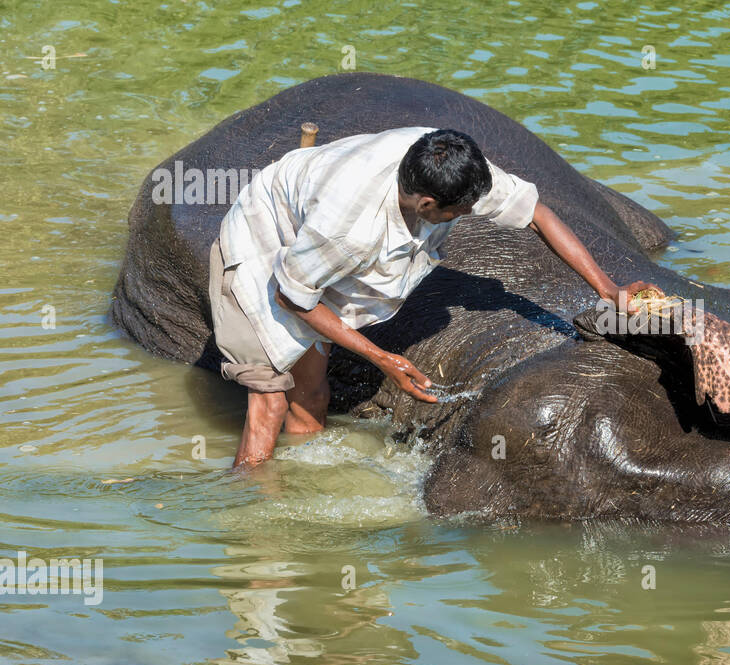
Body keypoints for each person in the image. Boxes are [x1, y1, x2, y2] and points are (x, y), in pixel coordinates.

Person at [208, 125, 654, 467]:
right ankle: (251, 527)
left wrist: (607, 289)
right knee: (267, 400)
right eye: (459, 213)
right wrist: (384, 359)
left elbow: (535, 215)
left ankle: (305, 481)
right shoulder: (348, 231)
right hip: (266, 241)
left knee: (312, 393)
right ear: (426, 205)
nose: (467, 215)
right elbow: (293, 298)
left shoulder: (449, 162)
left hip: (312, 238)